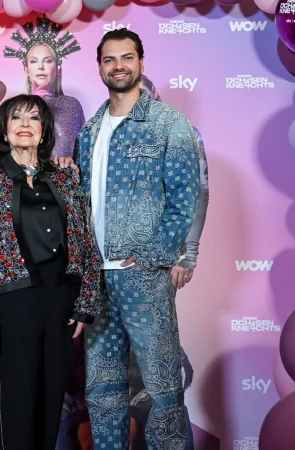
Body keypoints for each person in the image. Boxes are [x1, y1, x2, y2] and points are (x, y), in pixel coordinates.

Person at [76, 29, 200, 450]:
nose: (118, 66)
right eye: (109, 59)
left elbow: (186, 196)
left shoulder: (168, 123)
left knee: (163, 389)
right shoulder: (90, 131)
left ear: (141, 63)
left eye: (127, 58)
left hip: (142, 277)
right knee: (102, 389)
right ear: (99, 67)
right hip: (95, 279)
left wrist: (152, 255)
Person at [0, 94, 102, 450]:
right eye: (16, 118)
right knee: (18, 398)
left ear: (45, 130)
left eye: (34, 118)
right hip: (14, 302)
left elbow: (85, 242)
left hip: (60, 300)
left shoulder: (65, 177)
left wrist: (86, 303)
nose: (25, 124)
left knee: (51, 395)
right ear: (4, 129)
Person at [4, 17, 85, 158]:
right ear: (26, 70)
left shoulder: (71, 106)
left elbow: (81, 153)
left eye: (47, 61)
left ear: (57, 68)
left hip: (62, 172)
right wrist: (34, 104)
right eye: (34, 61)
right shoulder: (12, 107)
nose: (40, 67)